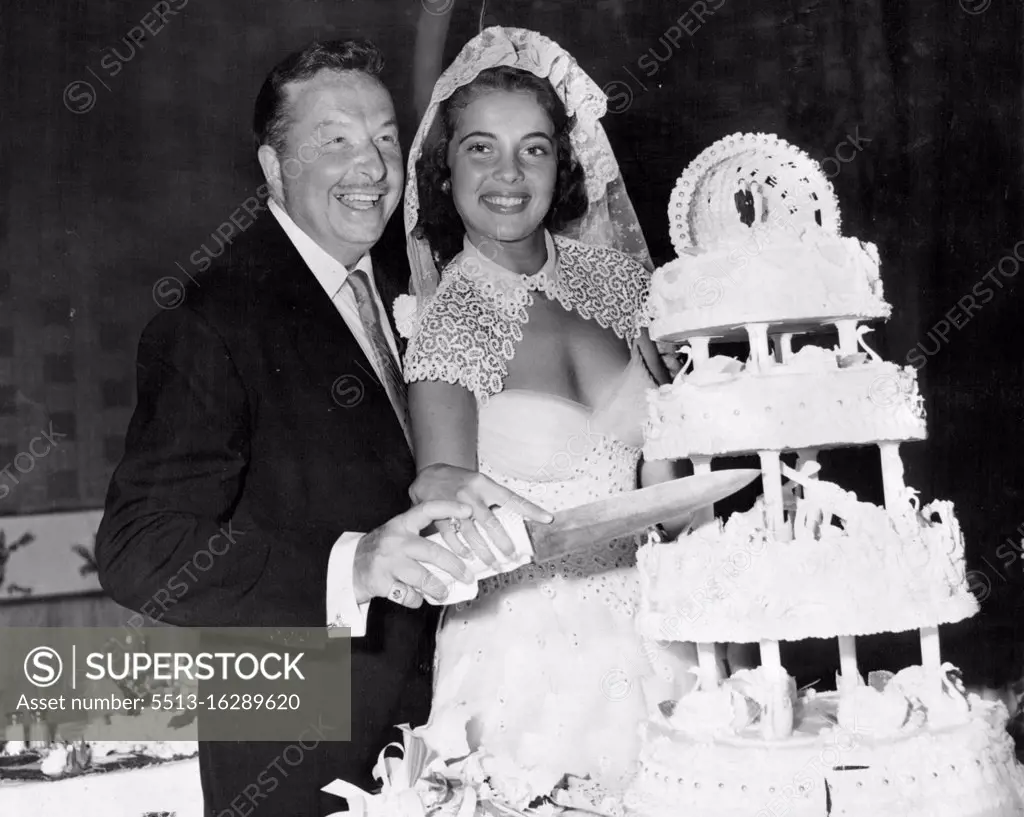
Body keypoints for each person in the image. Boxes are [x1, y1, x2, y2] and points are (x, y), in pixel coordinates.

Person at [94, 39, 548, 816]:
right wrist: (354, 563)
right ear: (274, 168)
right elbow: (139, 548)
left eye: (382, 138)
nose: (371, 166)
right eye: (335, 141)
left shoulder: (418, 283)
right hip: (298, 748)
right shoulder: (214, 317)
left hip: (446, 719)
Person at [397, 27, 698, 794]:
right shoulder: (445, 323)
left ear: (563, 162)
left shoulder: (624, 285)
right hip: (524, 664)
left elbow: (667, 474)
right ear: (445, 165)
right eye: (480, 149)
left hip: (663, 630)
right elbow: (447, 523)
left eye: (533, 148)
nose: (508, 174)